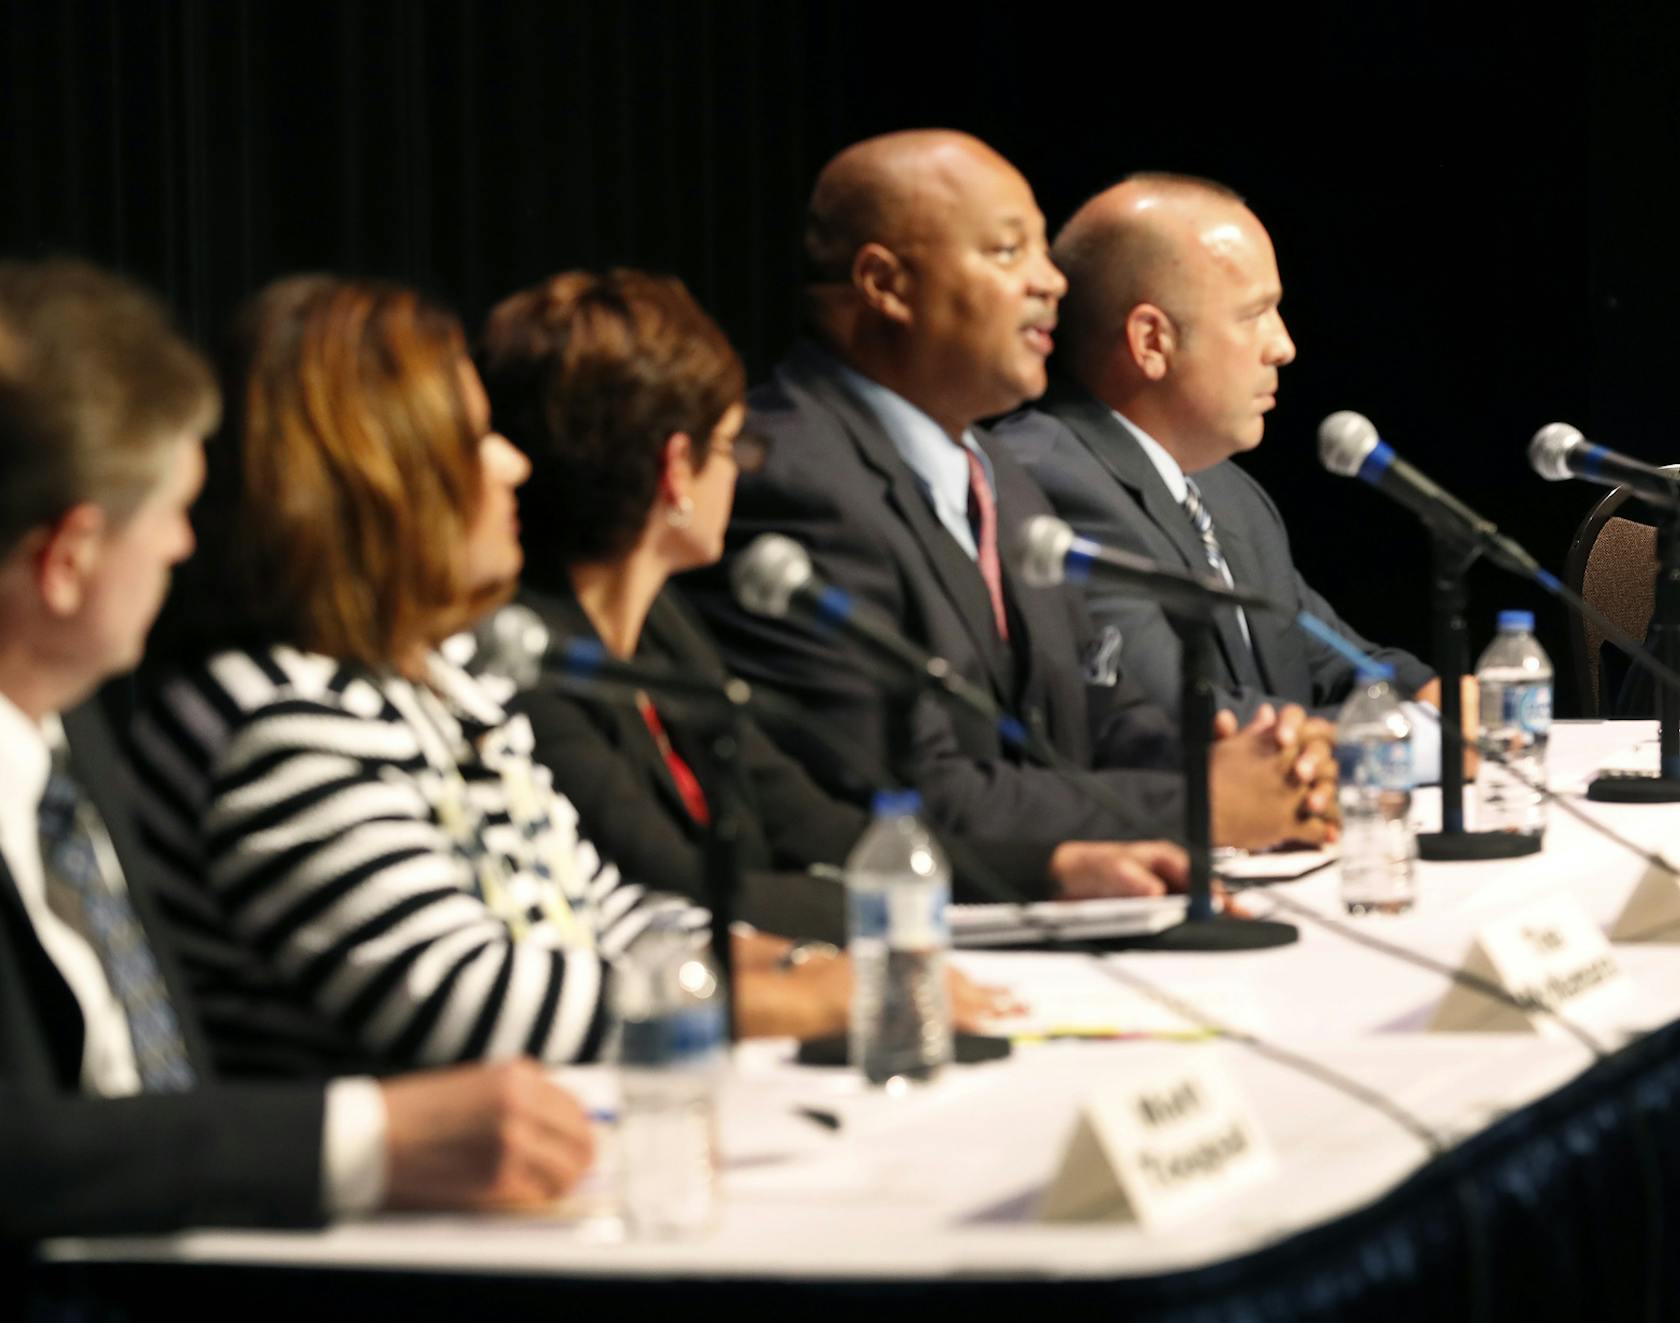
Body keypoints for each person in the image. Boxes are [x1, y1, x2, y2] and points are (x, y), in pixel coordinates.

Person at [129, 274, 869, 1083]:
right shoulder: (277, 717)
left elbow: (599, 908)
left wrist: (792, 961)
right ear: (383, 480)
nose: (513, 462)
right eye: (474, 438)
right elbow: (469, 1001)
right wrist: (791, 999)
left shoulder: (436, 677)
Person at [0, 259, 592, 1244]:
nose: (187, 545)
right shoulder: (258, 720)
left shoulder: (72, 743)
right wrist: (367, 1138)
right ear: (67, 563)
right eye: (168, 513)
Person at [684, 130, 1335, 854]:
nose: (1051, 281)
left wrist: (1239, 761)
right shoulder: (790, 480)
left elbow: (1101, 712)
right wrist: (1196, 804)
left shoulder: (998, 474)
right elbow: (911, 796)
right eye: (1007, 251)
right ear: (885, 284)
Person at [480, 268, 1191, 915]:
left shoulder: (661, 627)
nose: (740, 470)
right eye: (733, 446)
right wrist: (893, 920)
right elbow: (676, 882)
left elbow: (804, 819)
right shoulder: (529, 658)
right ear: (676, 471)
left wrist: (1057, 869)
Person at [997, 173, 1439, 723]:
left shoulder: (1226, 490)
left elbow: (1338, 663)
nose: (1284, 347)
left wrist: (1430, 697)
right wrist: (1415, 736)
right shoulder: (1044, 480)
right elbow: (1187, 719)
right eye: (1255, 314)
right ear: (1152, 341)